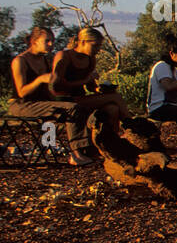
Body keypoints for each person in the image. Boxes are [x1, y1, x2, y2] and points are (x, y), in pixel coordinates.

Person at [9, 25, 98, 165]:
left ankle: (51, 147)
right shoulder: (20, 61)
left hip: (40, 103)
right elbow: (21, 92)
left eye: (52, 41)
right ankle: (75, 153)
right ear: (34, 41)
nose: (51, 45)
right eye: (47, 41)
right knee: (72, 108)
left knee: (76, 107)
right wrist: (40, 80)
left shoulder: (44, 60)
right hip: (21, 105)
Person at [48, 27, 130, 162]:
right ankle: (130, 125)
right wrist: (84, 80)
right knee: (116, 98)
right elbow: (56, 87)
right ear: (83, 42)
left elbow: (90, 87)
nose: (98, 49)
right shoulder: (64, 56)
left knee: (112, 108)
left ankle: (109, 146)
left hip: (81, 99)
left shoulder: (90, 59)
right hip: (66, 100)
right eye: (95, 45)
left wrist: (100, 90)